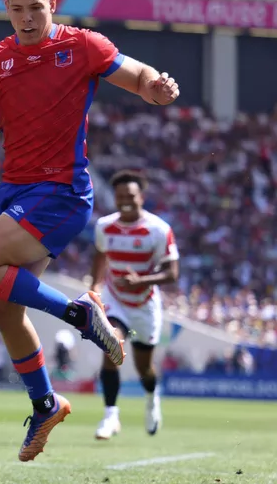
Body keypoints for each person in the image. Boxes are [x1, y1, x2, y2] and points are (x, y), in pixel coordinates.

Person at [0, 0, 180, 462]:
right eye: (17, 10)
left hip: (61, 192)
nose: (27, 18)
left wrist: (155, 87)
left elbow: (138, 75)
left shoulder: (83, 46)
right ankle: (45, 403)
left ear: (52, 3)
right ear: (7, 9)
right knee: (1, 308)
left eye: (36, 8)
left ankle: (76, 312)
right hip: (13, 192)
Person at [90, 170, 179, 440]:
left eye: (130, 195)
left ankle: (152, 398)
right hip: (116, 300)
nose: (125, 200)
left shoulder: (158, 229)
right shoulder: (105, 226)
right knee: (110, 346)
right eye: (120, 196)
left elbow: (172, 272)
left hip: (145, 306)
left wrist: (143, 280)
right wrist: (95, 286)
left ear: (141, 197)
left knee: (144, 369)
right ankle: (110, 416)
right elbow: (99, 255)